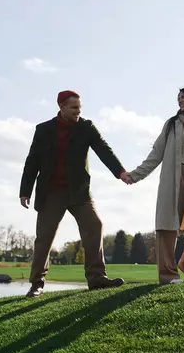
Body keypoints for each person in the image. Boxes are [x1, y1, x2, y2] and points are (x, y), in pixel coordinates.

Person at [19, 90, 132, 297]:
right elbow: (32, 160)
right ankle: (37, 283)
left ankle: (96, 278)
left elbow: (103, 149)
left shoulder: (86, 128)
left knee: (94, 225)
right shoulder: (43, 130)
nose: (78, 111)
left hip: (79, 191)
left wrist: (120, 172)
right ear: (61, 106)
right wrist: (25, 191)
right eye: (74, 107)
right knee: (44, 237)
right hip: (51, 191)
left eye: (80, 107)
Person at [123, 87, 184, 284]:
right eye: (179, 98)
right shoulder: (172, 124)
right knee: (168, 227)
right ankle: (168, 275)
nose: (180, 100)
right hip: (173, 179)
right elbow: (156, 154)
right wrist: (135, 175)